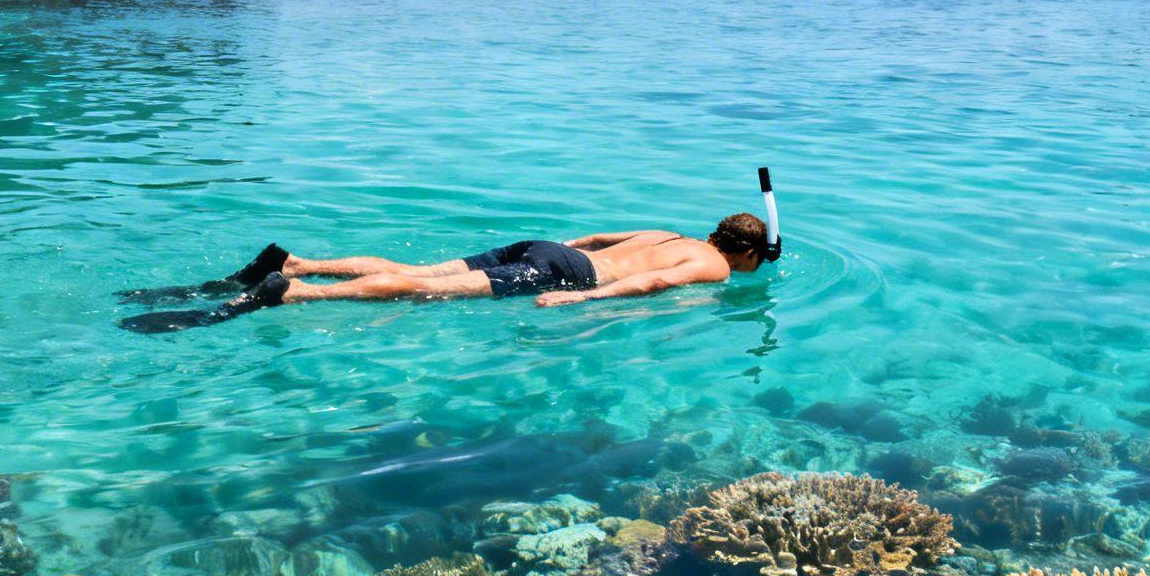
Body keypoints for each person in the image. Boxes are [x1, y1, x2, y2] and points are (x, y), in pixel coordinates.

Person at [118, 213, 775, 333]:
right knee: (424, 288)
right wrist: (580, 301)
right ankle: (296, 294)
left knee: (418, 267)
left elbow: (601, 236)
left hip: (546, 247)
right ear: (745, 253)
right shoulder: (714, 267)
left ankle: (297, 261)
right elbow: (655, 285)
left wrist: (552, 252)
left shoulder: (671, 232)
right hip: (568, 275)